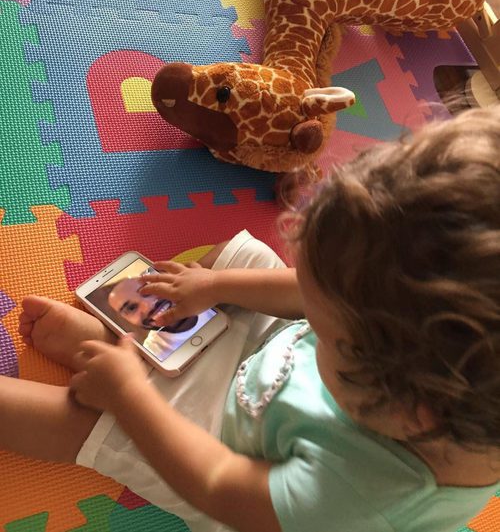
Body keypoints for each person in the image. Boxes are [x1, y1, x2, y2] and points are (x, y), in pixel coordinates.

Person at [4, 105, 500, 532]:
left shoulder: (361, 497)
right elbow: (307, 295)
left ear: (408, 407)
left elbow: (216, 482)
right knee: (240, 258)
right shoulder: (414, 351)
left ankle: (127, 372)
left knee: (87, 425)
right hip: (278, 366)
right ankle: (135, 356)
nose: (309, 297)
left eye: (329, 335)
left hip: (235, 461)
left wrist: (130, 398)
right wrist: (214, 287)